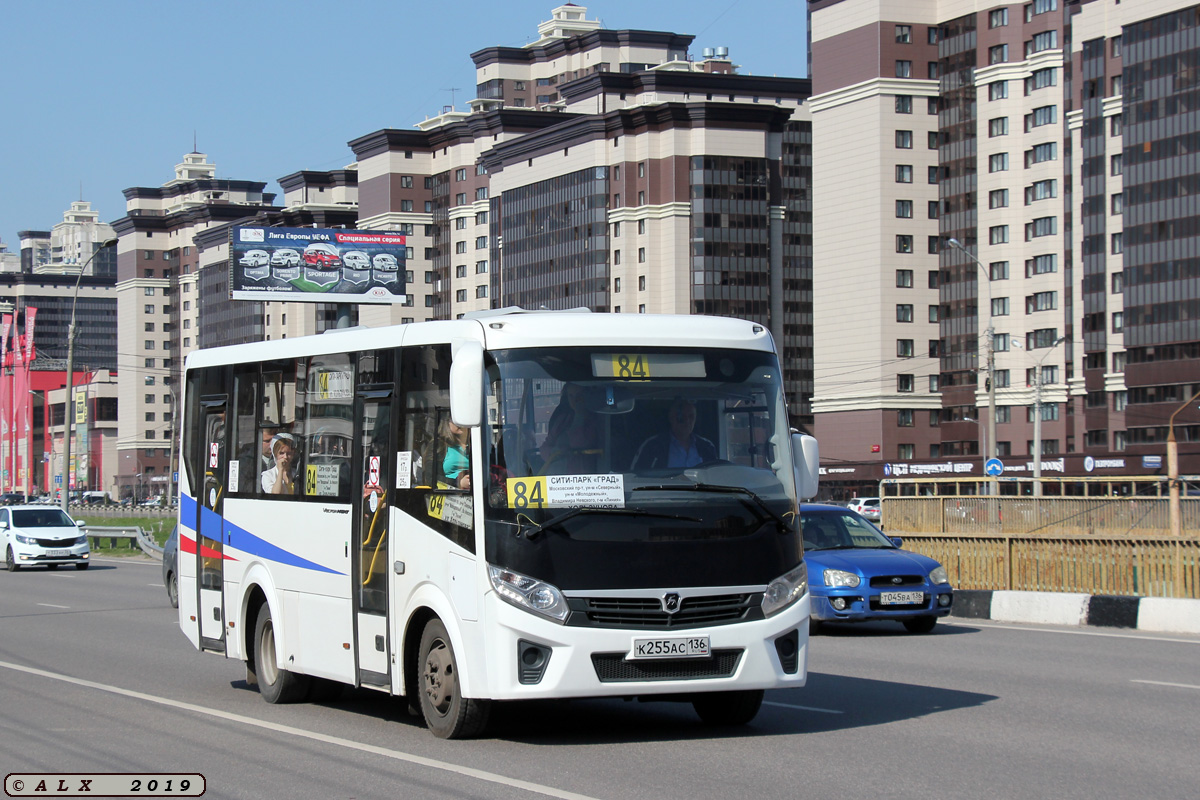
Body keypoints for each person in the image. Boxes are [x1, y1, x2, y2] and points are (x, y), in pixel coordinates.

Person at [631, 397, 717, 470]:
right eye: (681, 417)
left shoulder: (707, 446)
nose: (687, 421)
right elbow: (636, 476)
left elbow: (714, 476)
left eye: (691, 417)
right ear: (671, 418)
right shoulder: (652, 446)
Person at [540, 383, 602, 474]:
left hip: (587, 478)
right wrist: (553, 452)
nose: (574, 400)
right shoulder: (562, 420)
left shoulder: (597, 419)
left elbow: (579, 443)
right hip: (559, 478)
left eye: (579, 396)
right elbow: (544, 448)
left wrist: (579, 415)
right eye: (570, 396)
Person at [441, 418, 471, 490]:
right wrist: (458, 483)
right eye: (455, 419)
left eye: (462, 418)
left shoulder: (479, 445)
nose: (460, 423)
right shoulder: (440, 445)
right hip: (448, 494)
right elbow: (431, 477)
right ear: (447, 423)